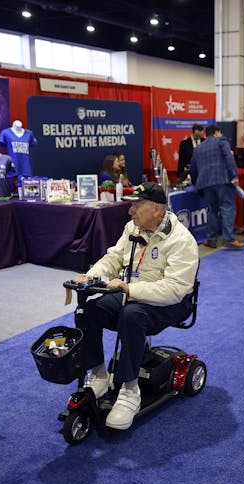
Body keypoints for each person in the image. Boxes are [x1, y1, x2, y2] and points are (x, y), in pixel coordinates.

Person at [73, 182, 199, 430]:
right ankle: (98, 373)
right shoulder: (133, 227)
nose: (131, 211)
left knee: (132, 316)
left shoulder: (182, 240)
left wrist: (130, 289)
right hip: (132, 293)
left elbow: (175, 289)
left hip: (172, 301)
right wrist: (92, 275)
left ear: (157, 209)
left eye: (137, 206)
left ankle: (130, 390)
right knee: (87, 309)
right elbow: (114, 257)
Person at [189, 124, 244, 249]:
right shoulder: (221, 141)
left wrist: (195, 184)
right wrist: (234, 175)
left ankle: (211, 240)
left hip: (206, 184)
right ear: (217, 133)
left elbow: (192, 169)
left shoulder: (198, 148)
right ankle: (228, 238)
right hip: (223, 181)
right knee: (227, 208)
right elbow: (229, 158)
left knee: (212, 211)